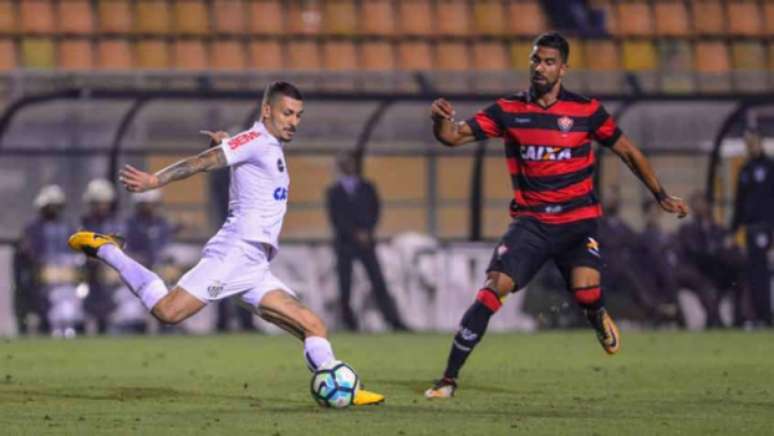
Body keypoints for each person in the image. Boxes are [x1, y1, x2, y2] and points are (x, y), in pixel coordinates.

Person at [66, 81, 383, 405]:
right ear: (266, 111)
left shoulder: (265, 144)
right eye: (287, 113)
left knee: (314, 326)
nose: (293, 121)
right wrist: (155, 180)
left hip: (256, 265)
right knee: (168, 311)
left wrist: (231, 142)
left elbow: (239, 157)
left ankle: (346, 390)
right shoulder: (258, 139)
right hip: (234, 252)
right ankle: (109, 250)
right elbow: (207, 160)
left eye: (299, 115)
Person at [424, 32, 689, 398]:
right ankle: (448, 379)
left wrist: (659, 194)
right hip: (531, 224)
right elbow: (452, 137)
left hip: (576, 225)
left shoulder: (586, 111)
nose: (540, 67)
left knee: (586, 294)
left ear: (563, 68)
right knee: (491, 291)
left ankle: (596, 315)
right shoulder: (508, 110)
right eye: (535, 60)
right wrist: (439, 120)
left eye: (549, 62)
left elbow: (627, 151)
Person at [326, 151, 408, 331]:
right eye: (344, 163)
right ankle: (349, 323)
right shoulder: (333, 191)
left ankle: (393, 321)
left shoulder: (368, 187)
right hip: (345, 244)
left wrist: (367, 231)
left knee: (378, 282)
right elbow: (336, 218)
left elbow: (376, 210)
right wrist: (355, 233)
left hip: (367, 243)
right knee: (345, 285)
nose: (348, 166)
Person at [17, 185, 82, 336]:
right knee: (44, 305)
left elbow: (76, 249)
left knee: (70, 300)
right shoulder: (32, 227)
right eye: (50, 206)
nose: (53, 210)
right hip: (41, 276)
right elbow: (28, 250)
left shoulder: (68, 226)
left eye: (56, 206)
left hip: (66, 273)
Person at [680, 192, 752, 327]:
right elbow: (695, 253)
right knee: (706, 285)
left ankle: (741, 319)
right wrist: (719, 251)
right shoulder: (687, 229)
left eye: (701, 202)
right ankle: (714, 320)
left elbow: (731, 245)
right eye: (695, 203)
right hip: (700, 270)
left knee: (740, 277)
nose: (698, 206)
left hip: (719, 270)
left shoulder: (718, 229)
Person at [732, 128, 774, 327]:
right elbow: (739, 203)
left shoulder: (770, 167)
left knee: (762, 272)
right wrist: (732, 231)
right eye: (747, 143)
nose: (750, 146)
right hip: (750, 230)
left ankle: (766, 315)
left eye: (753, 142)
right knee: (754, 271)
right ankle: (757, 315)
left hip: (765, 227)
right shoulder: (745, 170)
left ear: (760, 142)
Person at [81, 178, 126, 333]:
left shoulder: (118, 224)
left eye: (104, 202)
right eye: (96, 202)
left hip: (115, 275)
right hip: (90, 276)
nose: (101, 206)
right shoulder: (83, 224)